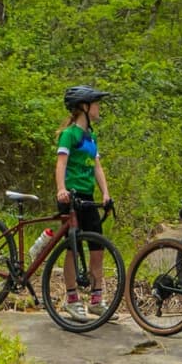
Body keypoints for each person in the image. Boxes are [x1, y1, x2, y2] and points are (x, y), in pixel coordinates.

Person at [55, 85, 114, 324]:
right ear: (84, 107)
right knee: (73, 248)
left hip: (87, 197)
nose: (99, 108)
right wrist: (61, 189)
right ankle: (72, 299)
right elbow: (61, 164)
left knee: (97, 249)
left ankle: (96, 300)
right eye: (96, 104)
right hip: (70, 197)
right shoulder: (69, 134)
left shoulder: (91, 136)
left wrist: (106, 193)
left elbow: (97, 167)